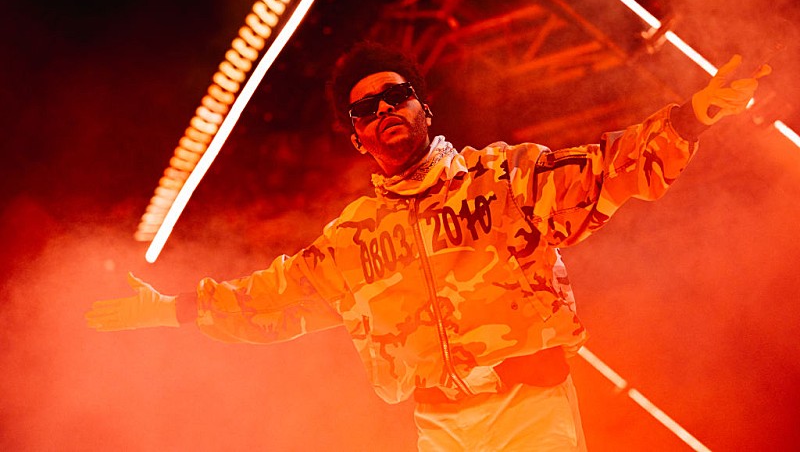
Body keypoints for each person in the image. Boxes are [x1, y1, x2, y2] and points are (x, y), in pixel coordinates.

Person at [86, 41, 769, 451]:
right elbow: (272, 299)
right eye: (365, 109)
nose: (383, 110)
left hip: (528, 412)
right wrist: (168, 311)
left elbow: (605, 170)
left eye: (395, 95)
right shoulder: (352, 238)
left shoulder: (502, 178)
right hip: (440, 430)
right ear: (357, 137)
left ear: (423, 107)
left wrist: (694, 115)